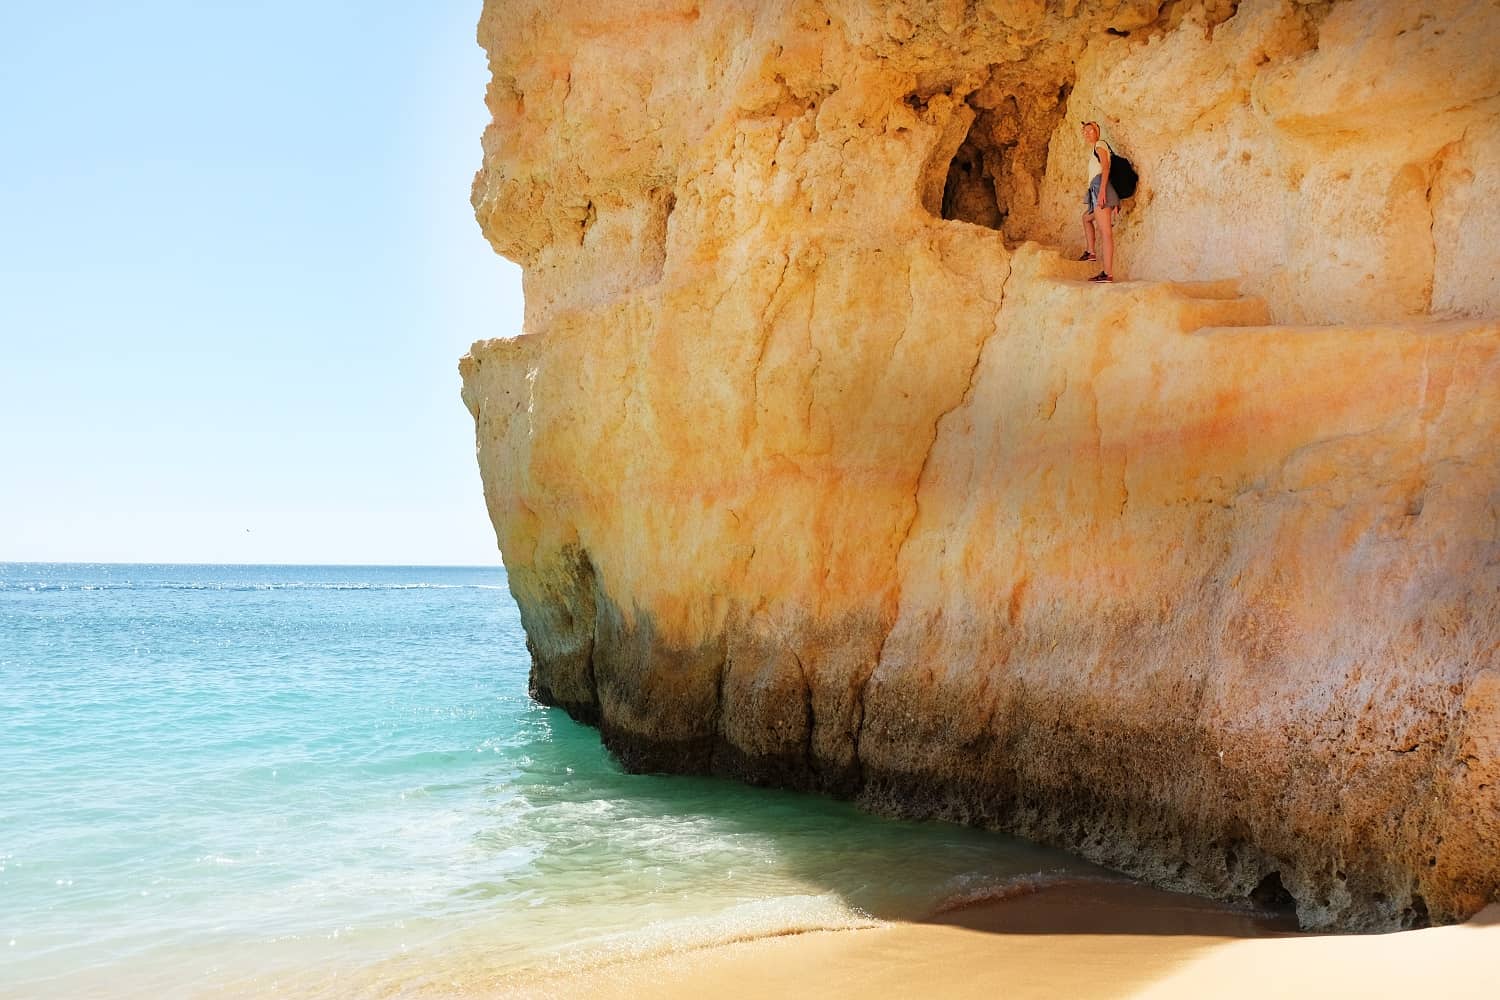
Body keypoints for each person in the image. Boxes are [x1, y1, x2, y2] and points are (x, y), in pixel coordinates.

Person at [1079, 121, 1120, 283]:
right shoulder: (1095, 148)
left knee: (1106, 232)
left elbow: (1106, 168)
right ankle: (1091, 252)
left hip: (1100, 190)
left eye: (1090, 131)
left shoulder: (1100, 145)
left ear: (1097, 131)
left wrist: (1103, 191)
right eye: (1084, 132)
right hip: (1097, 190)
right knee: (1086, 218)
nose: (1087, 134)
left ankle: (1107, 273)